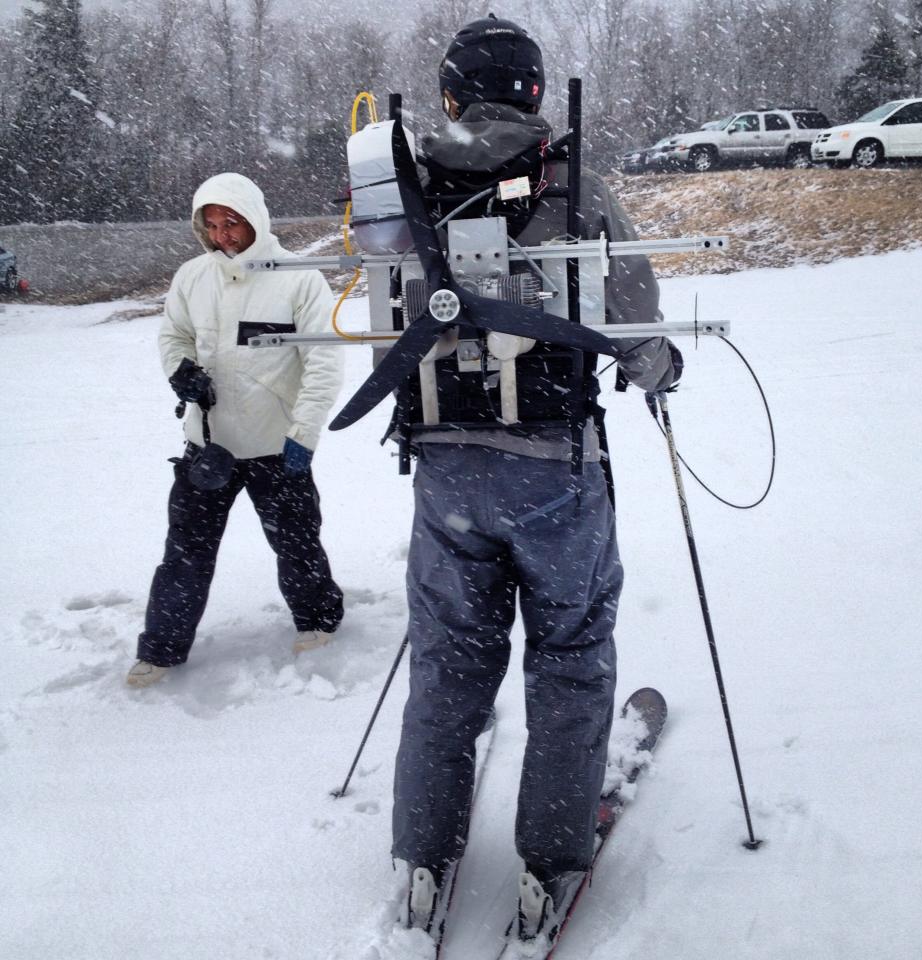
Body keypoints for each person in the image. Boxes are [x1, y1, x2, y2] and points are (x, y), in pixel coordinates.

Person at [387, 14, 683, 944]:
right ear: (535, 93)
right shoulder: (573, 183)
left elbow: (384, 304)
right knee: (568, 659)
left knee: (449, 664)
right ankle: (550, 860)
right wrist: (658, 370)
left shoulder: (404, 185)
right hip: (554, 468)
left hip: (444, 469)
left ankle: (422, 857)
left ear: (448, 94)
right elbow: (634, 319)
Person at [126, 172, 345, 688]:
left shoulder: (299, 278)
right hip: (207, 449)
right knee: (184, 552)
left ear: (255, 219)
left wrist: (304, 435)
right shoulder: (191, 278)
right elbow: (174, 335)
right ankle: (161, 649)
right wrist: (181, 370)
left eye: (233, 222)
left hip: (277, 446)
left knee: (297, 542)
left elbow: (323, 363)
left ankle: (319, 619)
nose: (224, 234)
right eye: (213, 224)